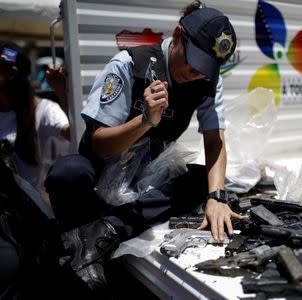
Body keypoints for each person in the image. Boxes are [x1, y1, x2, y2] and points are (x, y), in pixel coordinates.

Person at [45, 1, 245, 289]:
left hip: (143, 181)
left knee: (205, 180)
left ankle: (107, 230)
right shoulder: (129, 65)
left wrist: (216, 198)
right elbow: (100, 143)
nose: (196, 74)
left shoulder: (205, 80)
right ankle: (80, 242)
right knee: (68, 172)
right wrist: (145, 121)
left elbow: (215, 140)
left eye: (205, 69)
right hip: (102, 176)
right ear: (178, 35)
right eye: (193, 63)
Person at [0, 41, 70, 205]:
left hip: (27, 213)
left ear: (11, 73)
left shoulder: (44, 110)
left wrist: (60, 91)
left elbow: (75, 134)